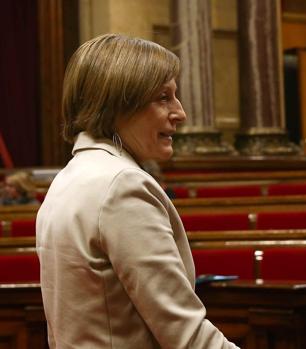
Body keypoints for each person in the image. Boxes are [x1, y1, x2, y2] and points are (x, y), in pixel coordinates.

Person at [36, 34, 238, 348]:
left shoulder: (68, 179)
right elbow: (185, 334)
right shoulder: (122, 186)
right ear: (118, 103)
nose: (180, 113)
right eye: (163, 97)